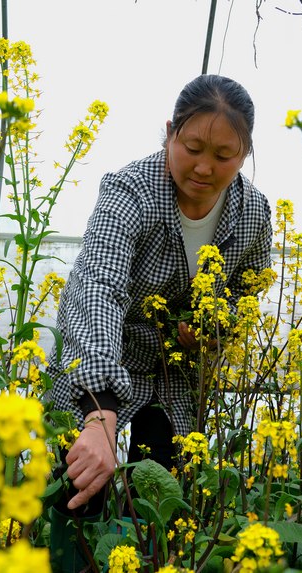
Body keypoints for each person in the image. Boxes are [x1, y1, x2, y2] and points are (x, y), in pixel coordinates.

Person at [46, 74, 272, 524]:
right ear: (169, 132)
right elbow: (98, 286)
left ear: (244, 155)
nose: (204, 168)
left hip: (174, 379)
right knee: (78, 496)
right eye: (191, 148)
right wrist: (98, 410)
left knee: (158, 514)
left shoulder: (253, 213)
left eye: (224, 156)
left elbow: (248, 290)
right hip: (101, 356)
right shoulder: (131, 191)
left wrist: (214, 327)